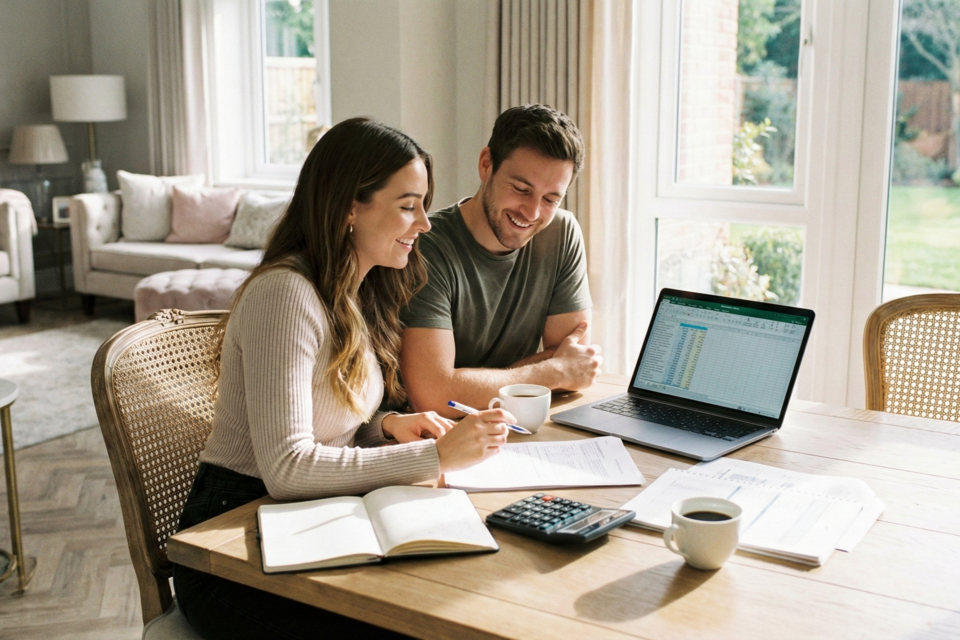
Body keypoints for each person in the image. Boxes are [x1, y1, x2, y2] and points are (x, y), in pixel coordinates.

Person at [172, 117, 514, 640]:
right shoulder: (285, 295)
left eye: (423, 203)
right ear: (351, 207)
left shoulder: (355, 293)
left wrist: (390, 427)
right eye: (407, 205)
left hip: (310, 517)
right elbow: (287, 468)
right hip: (235, 543)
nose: (424, 223)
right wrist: (435, 457)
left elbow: (332, 425)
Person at [399, 104, 602, 416]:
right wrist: (551, 371)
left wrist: (469, 383)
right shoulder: (426, 246)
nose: (532, 213)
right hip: (435, 437)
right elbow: (432, 396)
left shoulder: (561, 233)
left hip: (513, 425)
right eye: (521, 189)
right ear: (485, 164)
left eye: (551, 199)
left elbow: (575, 367)